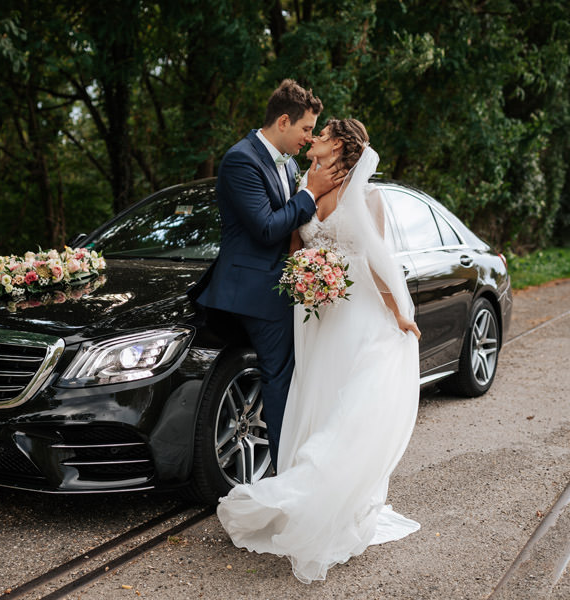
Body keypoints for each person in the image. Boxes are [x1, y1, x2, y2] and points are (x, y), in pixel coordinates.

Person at [216, 118, 422, 583]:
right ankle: (308, 493)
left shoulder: (369, 197)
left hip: (361, 315)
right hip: (319, 318)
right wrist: (304, 274)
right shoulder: (303, 187)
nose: (314, 140)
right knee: (321, 399)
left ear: (341, 147)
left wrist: (400, 314)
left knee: (353, 408)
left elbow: (376, 260)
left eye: (323, 135)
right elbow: (292, 245)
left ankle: (326, 497)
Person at [188, 79, 343, 469]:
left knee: (292, 371)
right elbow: (265, 227)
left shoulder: (288, 162)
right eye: (307, 129)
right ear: (284, 121)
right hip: (254, 288)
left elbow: (291, 226)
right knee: (281, 377)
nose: (309, 139)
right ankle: (283, 470)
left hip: (278, 280)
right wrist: (309, 193)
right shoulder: (240, 159)